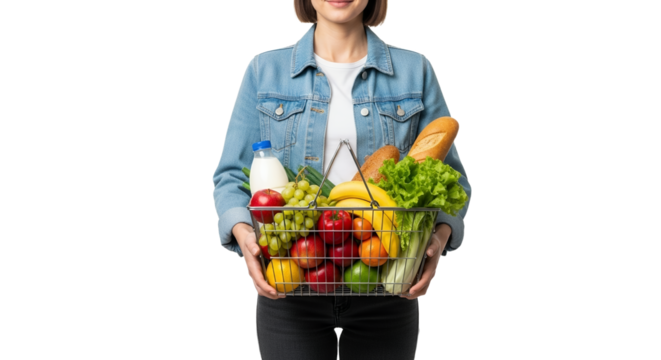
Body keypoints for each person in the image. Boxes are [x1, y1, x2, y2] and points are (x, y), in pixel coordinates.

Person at [211, 1, 472, 359]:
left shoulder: (416, 70)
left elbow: (451, 179)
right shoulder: (264, 69)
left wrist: (439, 237)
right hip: (290, 282)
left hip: (386, 280)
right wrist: (243, 233)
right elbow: (229, 173)